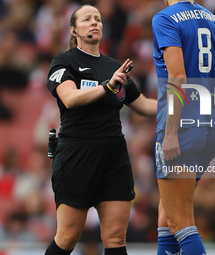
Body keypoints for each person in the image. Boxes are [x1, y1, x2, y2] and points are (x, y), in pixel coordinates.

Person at [45, 4, 157, 255]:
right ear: (74, 30)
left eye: (97, 18)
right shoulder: (64, 61)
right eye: (87, 19)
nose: (94, 22)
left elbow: (145, 106)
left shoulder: (113, 65)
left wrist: (182, 106)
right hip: (78, 152)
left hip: (113, 154)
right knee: (67, 237)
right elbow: (70, 99)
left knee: (116, 238)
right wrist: (107, 86)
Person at [152, 1, 215, 255]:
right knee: (167, 218)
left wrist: (170, 132)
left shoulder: (165, 18)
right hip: (207, 131)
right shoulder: (213, 20)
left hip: (180, 130)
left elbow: (178, 77)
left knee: (180, 222)